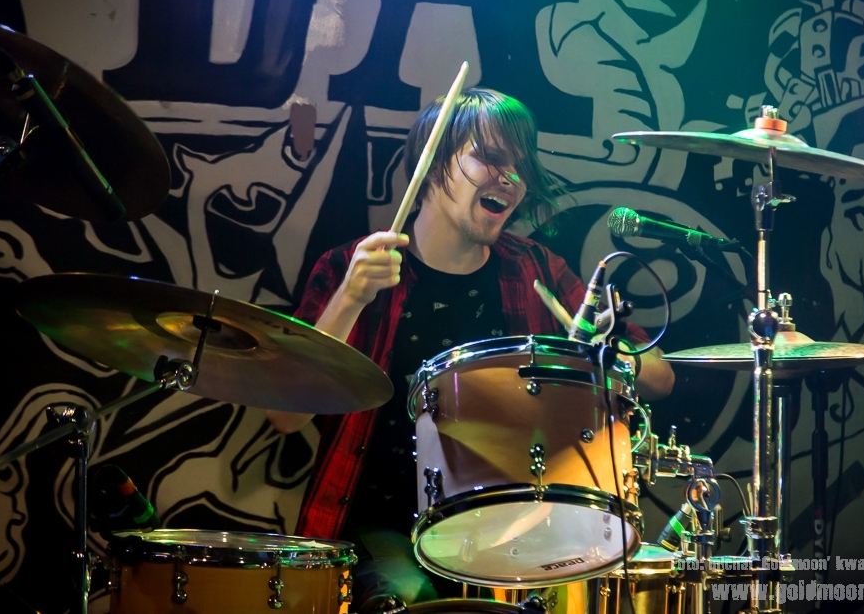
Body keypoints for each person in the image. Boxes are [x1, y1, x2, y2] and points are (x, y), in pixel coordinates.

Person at [269, 88, 674, 613]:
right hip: (385, 525)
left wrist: (605, 346)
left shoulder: (535, 269)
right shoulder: (351, 267)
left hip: (517, 530)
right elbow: (284, 417)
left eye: (519, 166)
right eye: (491, 158)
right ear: (433, 163)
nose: (511, 178)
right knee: (410, 600)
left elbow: (659, 376)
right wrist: (350, 298)